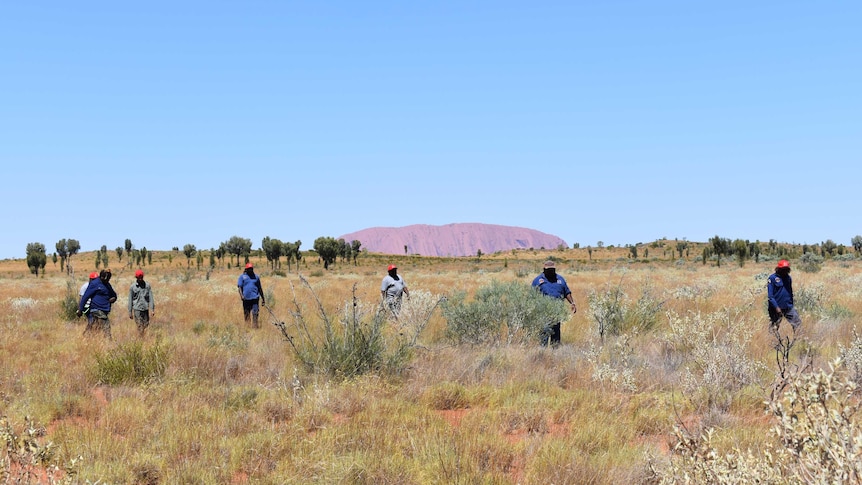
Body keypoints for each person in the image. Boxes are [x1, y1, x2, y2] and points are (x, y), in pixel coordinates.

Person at [532, 260, 577, 347]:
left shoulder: (560, 279)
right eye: (548, 270)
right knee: (544, 336)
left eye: (552, 269)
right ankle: (543, 354)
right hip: (543, 314)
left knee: (556, 337)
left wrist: (572, 303)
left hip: (557, 313)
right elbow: (532, 296)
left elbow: (566, 292)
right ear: (544, 269)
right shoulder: (537, 281)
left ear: (555, 269)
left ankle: (555, 355)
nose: (550, 271)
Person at [77, 268, 118, 338]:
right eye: (106, 278)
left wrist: (114, 298)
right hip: (96, 308)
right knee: (106, 324)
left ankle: (86, 338)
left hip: (105, 309)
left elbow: (114, 295)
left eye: (109, 278)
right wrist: (80, 309)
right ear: (102, 276)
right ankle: (109, 340)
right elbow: (85, 297)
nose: (107, 280)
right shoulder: (94, 284)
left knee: (94, 325)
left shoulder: (107, 285)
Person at [767, 259, 801, 332]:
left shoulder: (788, 278)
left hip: (788, 307)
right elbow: (770, 296)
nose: (785, 271)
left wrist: (791, 304)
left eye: (786, 269)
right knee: (774, 327)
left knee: (797, 323)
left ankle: (798, 340)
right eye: (783, 269)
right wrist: (776, 307)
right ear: (779, 269)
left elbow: (790, 292)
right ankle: (773, 342)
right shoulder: (772, 278)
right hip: (775, 308)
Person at [128, 269, 155, 336]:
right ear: (136, 278)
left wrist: (152, 309)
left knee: (146, 324)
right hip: (137, 309)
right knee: (139, 325)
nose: (140, 279)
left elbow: (151, 298)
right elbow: (130, 299)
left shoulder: (147, 286)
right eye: (139, 278)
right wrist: (130, 311)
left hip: (145, 308)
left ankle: (142, 335)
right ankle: (141, 337)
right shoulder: (132, 287)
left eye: (141, 278)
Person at [237, 263, 265, 328]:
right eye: (249, 269)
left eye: (251, 268)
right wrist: (242, 296)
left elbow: (260, 288)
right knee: (247, 314)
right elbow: (239, 287)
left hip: (255, 298)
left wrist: (263, 298)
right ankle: (247, 327)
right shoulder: (242, 277)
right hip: (246, 299)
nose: (251, 270)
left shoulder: (256, 277)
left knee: (255, 313)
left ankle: (255, 327)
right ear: (246, 269)